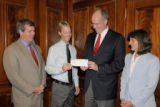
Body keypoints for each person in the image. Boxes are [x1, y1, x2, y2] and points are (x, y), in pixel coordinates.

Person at [80, 9, 125, 107]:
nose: (94, 26)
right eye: (92, 23)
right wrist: (83, 66)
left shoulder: (117, 38)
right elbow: (85, 57)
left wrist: (99, 67)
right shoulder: (90, 37)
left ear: (105, 21)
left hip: (106, 90)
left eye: (97, 23)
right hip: (88, 87)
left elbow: (119, 64)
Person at [3, 19, 46, 107]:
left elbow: (42, 69)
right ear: (20, 32)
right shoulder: (11, 50)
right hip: (24, 99)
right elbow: (14, 77)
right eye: (29, 31)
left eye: (33, 30)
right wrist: (33, 89)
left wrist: (43, 84)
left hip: (39, 98)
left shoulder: (37, 48)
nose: (33, 33)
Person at [120, 29, 160, 107]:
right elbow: (124, 79)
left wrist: (133, 102)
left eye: (132, 40)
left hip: (144, 103)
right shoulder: (128, 57)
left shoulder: (153, 60)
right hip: (126, 101)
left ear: (141, 42)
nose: (129, 43)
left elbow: (151, 86)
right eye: (129, 40)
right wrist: (123, 97)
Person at [45, 21, 80, 107]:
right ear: (59, 33)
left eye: (69, 32)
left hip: (71, 87)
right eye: (65, 32)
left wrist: (77, 85)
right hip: (59, 87)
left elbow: (74, 69)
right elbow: (48, 69)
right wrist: (62, 69)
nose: (68, 34)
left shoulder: (73, 49)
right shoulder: (53, 49)